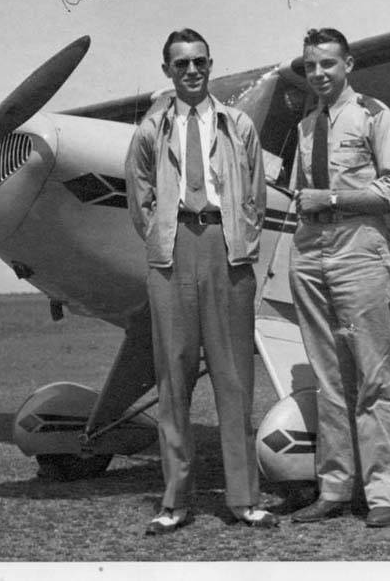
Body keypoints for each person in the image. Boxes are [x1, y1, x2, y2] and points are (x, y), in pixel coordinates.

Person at [125, 28, 278, 534]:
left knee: (234, 378)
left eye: (199, 62)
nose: (191, 71)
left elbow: (254, 192)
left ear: (210, 66)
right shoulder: (151, 129)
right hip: (172, 253)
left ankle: (243, 499)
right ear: (166, 69)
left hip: (226, 249)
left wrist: (239, 234)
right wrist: (163, 234)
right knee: (174, 377)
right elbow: (140, 196)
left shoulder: (238, 126)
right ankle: (174, 501)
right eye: (180, 64)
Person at [287, 27, 390, 529]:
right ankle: (335, 488)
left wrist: (333, 200)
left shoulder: (374, 116)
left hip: (359, 250)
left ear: (348, 65)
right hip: (310, 250)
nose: (319, 73)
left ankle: (385, 494)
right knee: (328, 378)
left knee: (374, 376)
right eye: (311, 65)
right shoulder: (306, 125)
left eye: (328, 64)